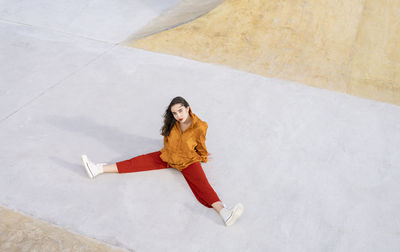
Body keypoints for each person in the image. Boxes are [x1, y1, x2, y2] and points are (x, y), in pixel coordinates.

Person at [81, 96, 243, 226]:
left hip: (187, 161)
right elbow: (167, 140)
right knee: (136, 162)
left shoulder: (200, 126)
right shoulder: (172, 123)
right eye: (175, 113)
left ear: (188, 108)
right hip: (167, 157)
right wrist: (170, 152)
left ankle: (225, 213)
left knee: (203, 185)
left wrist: (202, 156)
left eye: (181, 111)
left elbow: (200, 144)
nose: (178, 115)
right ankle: (98, 169)